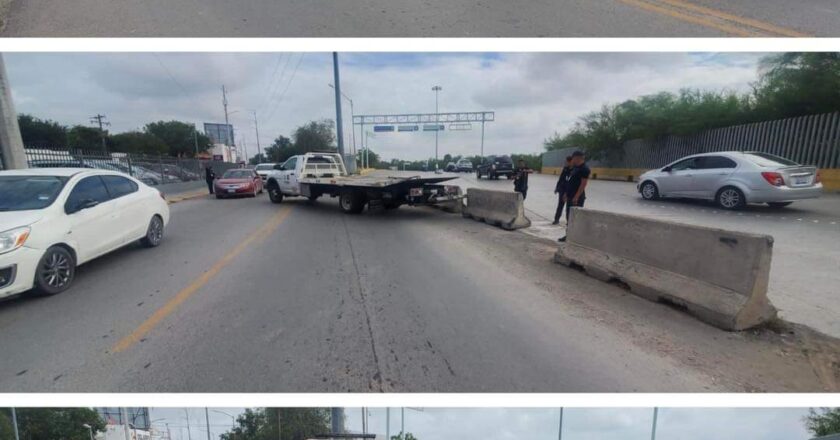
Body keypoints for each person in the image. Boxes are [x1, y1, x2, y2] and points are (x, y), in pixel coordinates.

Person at [558, 151, 590, 242]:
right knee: (569, 217)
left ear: (578, 158)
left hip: (577, 198)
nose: (572, 160)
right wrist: (566, 194)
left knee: (575, 218)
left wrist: (576, 196)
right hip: (570, 196)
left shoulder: (585, 169)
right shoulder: (575, 168)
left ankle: (575, 237)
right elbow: (570, 182)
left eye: (573, 158)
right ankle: (568, 235)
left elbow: (583, 184)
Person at [552, 155, 573, 225]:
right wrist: (557, 188)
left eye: (566, 162)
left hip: (570, 191)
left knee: (569, 207)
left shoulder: (575, 170)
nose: (565, 163)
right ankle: (556, 219)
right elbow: (561, 179)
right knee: (560, 205)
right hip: (562, 189)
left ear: (570, 162)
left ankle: (568, 222)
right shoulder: (565, 169)